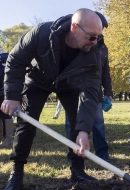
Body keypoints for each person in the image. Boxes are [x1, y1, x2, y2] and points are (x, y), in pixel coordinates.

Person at [1, 8, 106, 189]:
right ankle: (16, 171)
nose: (95, 41)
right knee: (27, 124)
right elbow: (16, 60)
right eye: (91, 36)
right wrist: (12, 96)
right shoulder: (41, 33)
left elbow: (90, 92)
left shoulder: (95, 49)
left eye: (98, 36)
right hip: (37, 80)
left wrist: (83, 130)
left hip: (69, 83)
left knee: (76, 122)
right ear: (74, 27)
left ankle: (77, 170)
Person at [64, 11, 114, 162]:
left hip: (94, 91)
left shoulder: (103, 48)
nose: (97, 35)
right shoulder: (79, 43)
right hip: (72, 90)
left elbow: (105, 71)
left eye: (101, 31)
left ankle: (102, 152)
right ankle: (75, 153)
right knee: (71, 123)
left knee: (98, 121)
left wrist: (108, 90)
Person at [0, 52, 14, 148]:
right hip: (3, 92)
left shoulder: (3, 65)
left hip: (3, 93)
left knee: (5, 115)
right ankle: (2, 138)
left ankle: (8, 139)